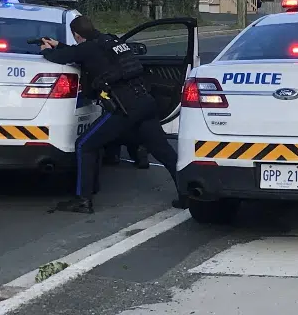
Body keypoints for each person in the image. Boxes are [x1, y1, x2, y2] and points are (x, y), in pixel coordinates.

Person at [39, 16, 188, 213]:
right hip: (145, 101)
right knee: (164, 152)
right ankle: (186, 195)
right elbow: (83, 53)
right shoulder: (111, 41)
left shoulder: (88, 49)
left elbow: (61, 57)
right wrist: (59, 45)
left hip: (124, 108)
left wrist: (48, 51)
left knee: (85, 145)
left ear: (76, 35)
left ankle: (83, 200)